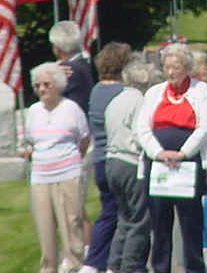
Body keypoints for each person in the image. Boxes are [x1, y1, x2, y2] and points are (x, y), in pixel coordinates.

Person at [136, 43, 207, 273]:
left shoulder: (201, 90)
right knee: (160, 222)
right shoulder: (154, 92)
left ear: (187, 67)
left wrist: (183, 153)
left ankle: (194, 267)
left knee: (191, 221)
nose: (171, 72)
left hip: (188, 163)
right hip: (158, 164)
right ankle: (161, 268)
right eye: (167, 67)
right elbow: (142, 128)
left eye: (176, 67)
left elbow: (206, 126)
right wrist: (159, 153)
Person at [20, 62, 90, 273]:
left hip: (68, 174)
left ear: (58, 85)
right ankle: (48, 268)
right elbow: (27, 142)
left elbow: (84, 139)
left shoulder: (71, 109)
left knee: (72, 226)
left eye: (47, 84)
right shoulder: (33, 111)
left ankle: (74, 266)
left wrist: (74, 159)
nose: (41, 89)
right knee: (45, 229)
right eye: (37, 85)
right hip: (41, 177)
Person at [102, 60, 159, 273]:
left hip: (112, 161)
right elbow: (140, 134)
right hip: (131, 162)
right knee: (139, 220)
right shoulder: (139, 101)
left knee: (124, 218)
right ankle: (130, 265)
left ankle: (113, 265)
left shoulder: (115, 100)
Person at [81, 42, 132, 273]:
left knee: (110, 210)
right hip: (117, 157)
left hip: (99, 158)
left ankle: (102, 262)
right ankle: (95, 263)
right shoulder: (121, 92)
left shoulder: (96, 90)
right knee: (117, 214)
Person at [49, 21, 95, 245]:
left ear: (57, 48)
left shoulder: (71, 71)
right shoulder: (82, 65)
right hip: (79, 143)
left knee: (74, 206)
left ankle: (87, 255)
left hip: (78, 144)